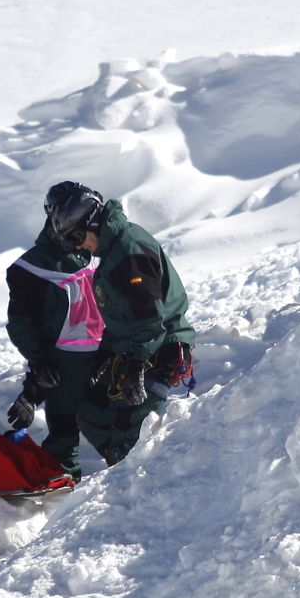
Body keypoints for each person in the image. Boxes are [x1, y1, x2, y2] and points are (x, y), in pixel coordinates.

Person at [43, 181, 195, 465]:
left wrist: (135, 367)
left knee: (132, 429)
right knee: (89, 412)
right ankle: (121, 466)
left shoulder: (129, 252)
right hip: (134, 349)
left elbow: (150, 320)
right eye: (70, 240)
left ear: (91, 220)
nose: (78, 245)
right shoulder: (113, 254)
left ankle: (139, 474)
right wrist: (102, 356)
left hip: (159, 350)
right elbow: (124, 321)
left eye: (76, 236)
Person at [4, 192, 104, 479]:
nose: (77, 235)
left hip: (107, 354)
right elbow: (22, 323)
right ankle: (61, 484)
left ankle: (129, 478)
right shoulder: (30, 267)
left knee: (114, 422)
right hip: (65, 360)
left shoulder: (97, 252)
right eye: (69, 227)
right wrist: (38, 364)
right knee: (63, 431)